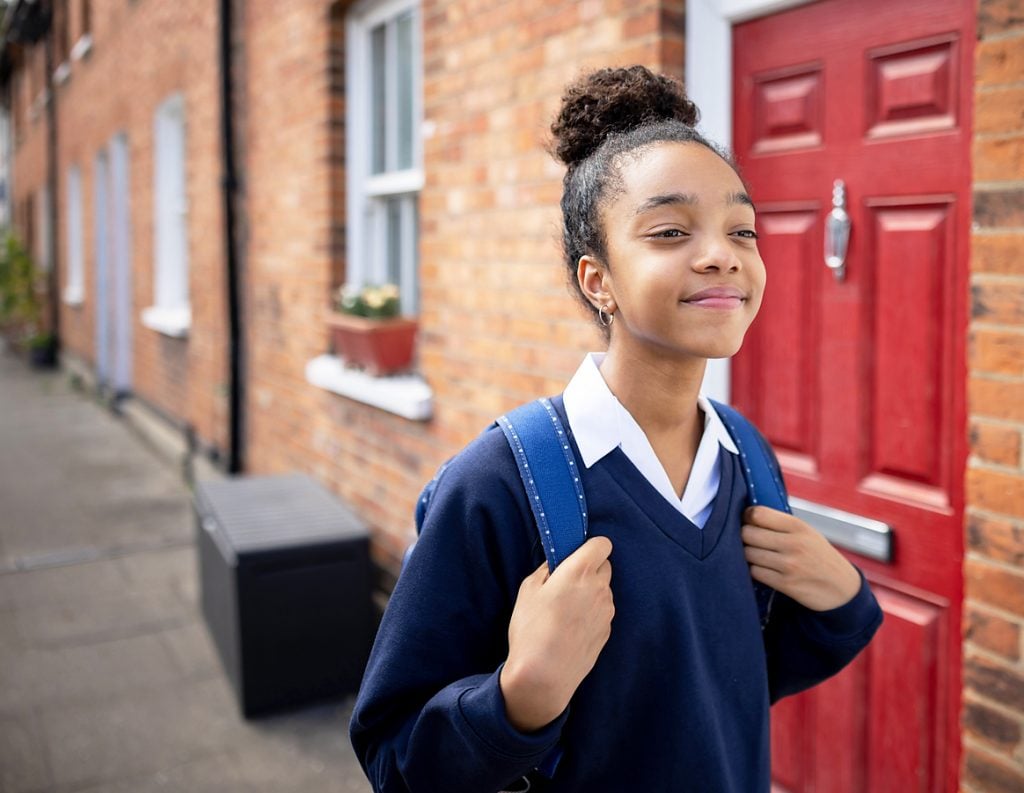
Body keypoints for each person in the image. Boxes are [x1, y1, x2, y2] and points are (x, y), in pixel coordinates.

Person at [350, 65, 883, 793]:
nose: (723, 252)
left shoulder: (747, 459)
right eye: (670, 231)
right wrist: (519, 697)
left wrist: (843, 599)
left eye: (741, 229)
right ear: (597, 278)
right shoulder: (497, 486)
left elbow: (723, 689)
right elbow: (392, 753)